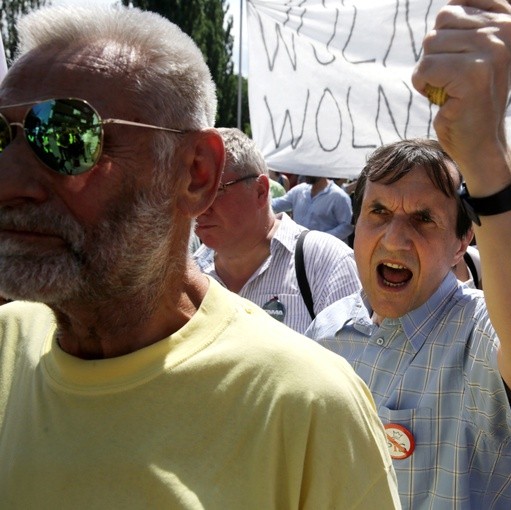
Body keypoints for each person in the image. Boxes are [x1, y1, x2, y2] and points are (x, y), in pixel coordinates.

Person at [0, 6, 401, 508]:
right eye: (0, 139)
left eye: (66, 136)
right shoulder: (5, 346)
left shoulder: (308, 406)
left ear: (195, 174)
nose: (8, 181)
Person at [304, 1, 511, 507]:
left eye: (424, 219)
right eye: (378, 211)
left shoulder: (478, 334)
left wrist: (487, 153)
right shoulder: (328, 332)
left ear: (461, 241)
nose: (394, 239)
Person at [194, 127, 362, 334]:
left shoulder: (328, 264)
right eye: (191, 192)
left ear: (260, 191)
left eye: (216, 190)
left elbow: (350, 362)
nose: (199, 207)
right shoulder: (185, 274)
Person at [271, 174, 354, 243]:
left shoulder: (338, 196)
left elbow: (346, 226)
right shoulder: (299, 191)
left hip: (325, 251)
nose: (306, 173)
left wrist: (322, 238)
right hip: (300, 249)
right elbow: (276, 204)